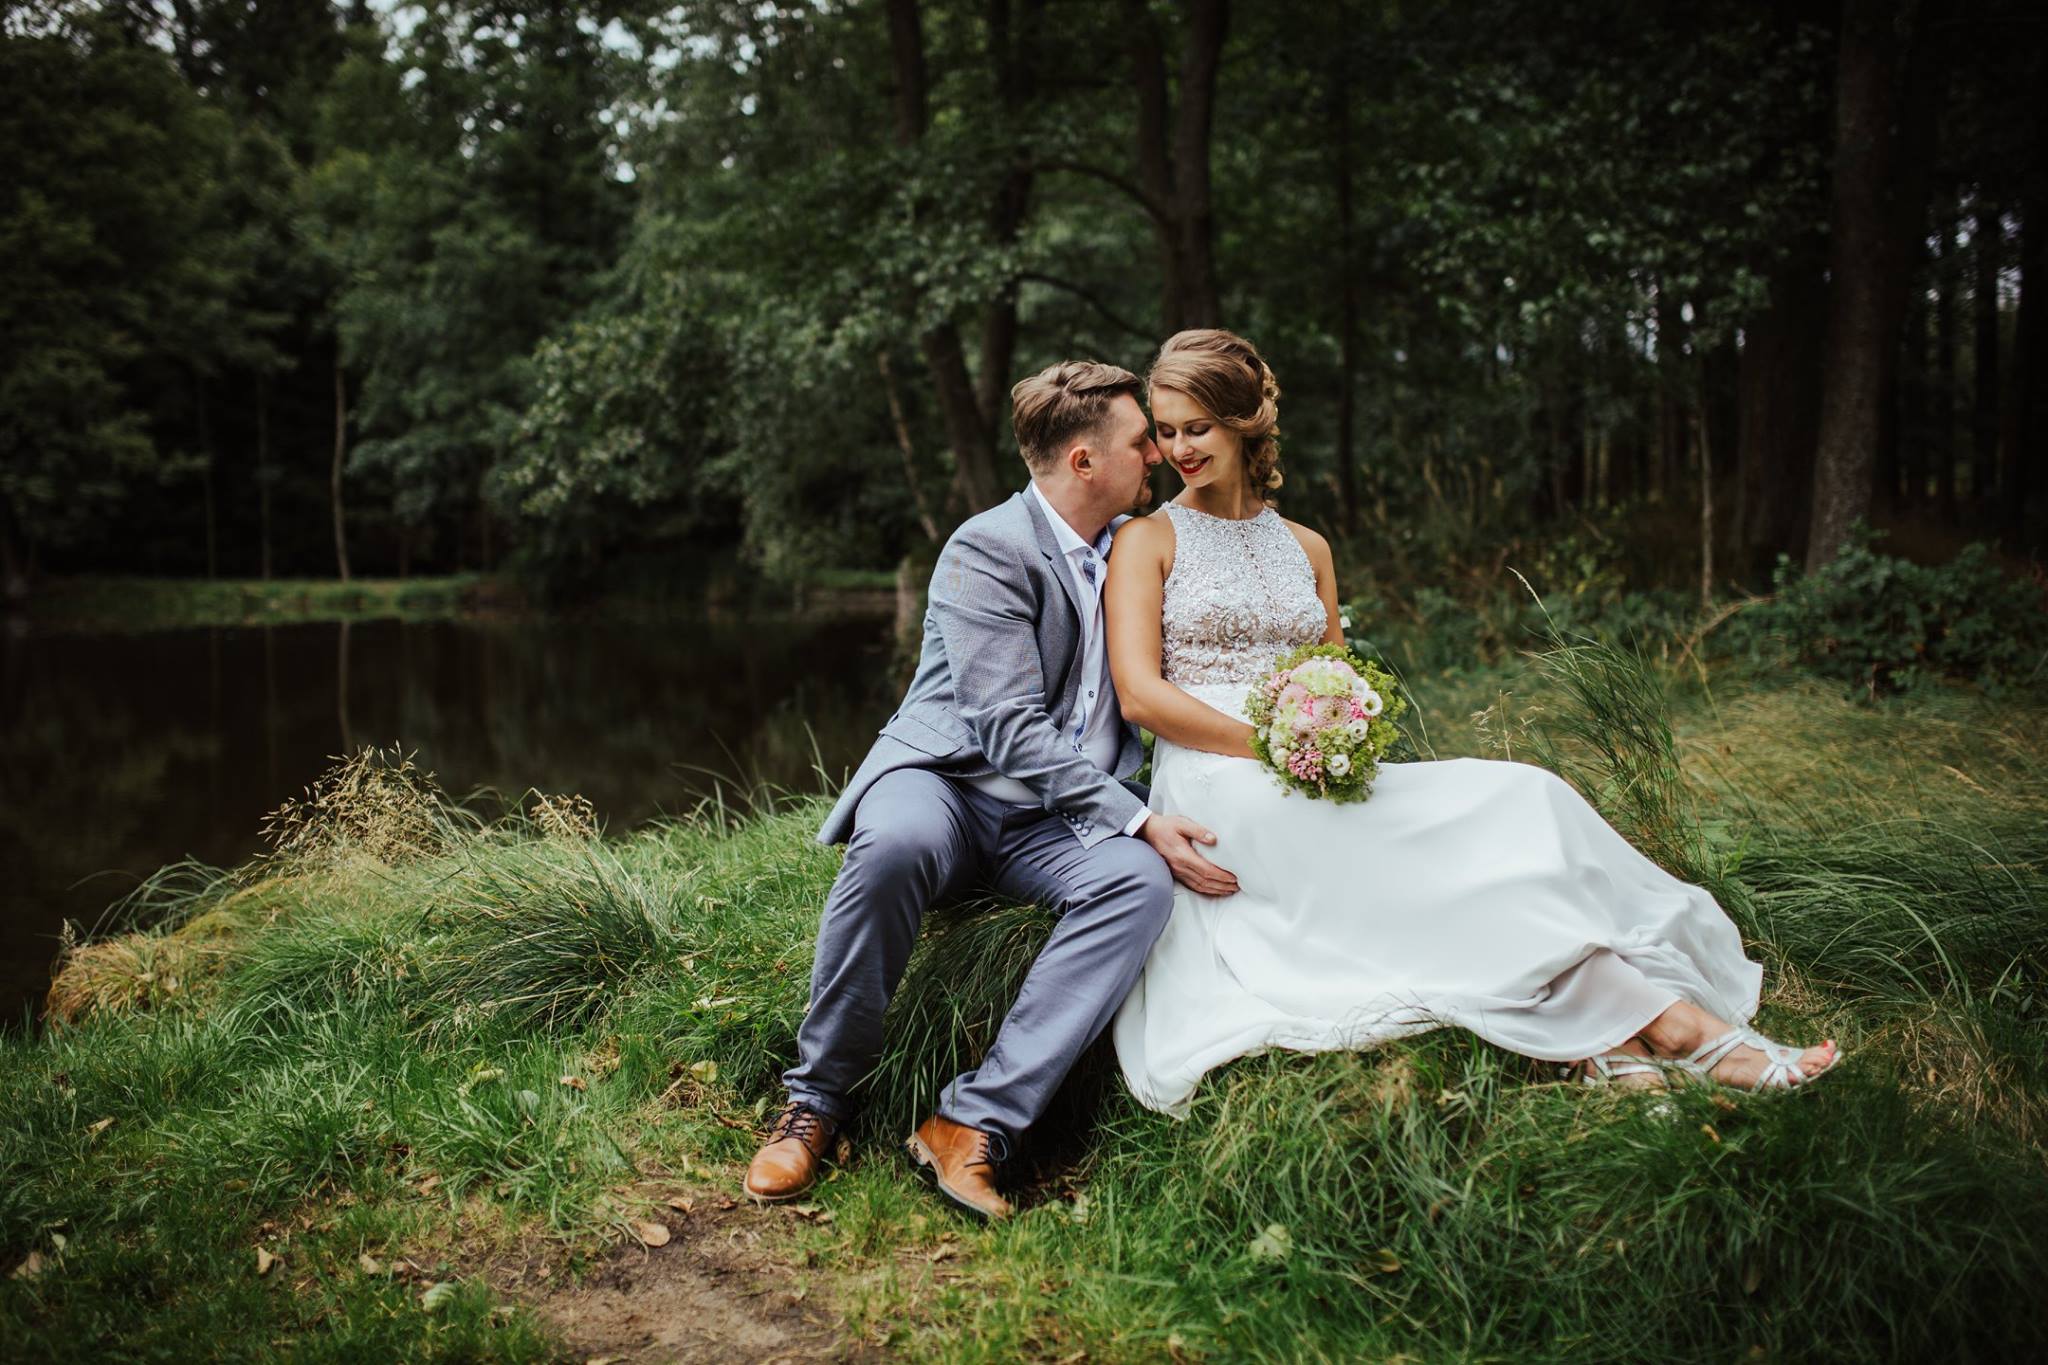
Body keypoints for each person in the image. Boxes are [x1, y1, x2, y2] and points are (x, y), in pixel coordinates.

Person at [1105, 329, 1840, 1115]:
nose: (1179, 449)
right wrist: (1273, 744)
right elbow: (1139, 694)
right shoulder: (1146, 540)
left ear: (1244, 423)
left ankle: (1621, 1035)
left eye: (1198, 428)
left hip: (1315, 760)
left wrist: (1340, 732)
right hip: (1218, 781)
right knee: (1415, 856)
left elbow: (1341, 676)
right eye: (1167, 430)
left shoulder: (1307, 546)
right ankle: (1676, 1028)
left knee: (1525, 797)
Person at [745, 360, 1239, 1219]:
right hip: (949, 782)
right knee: (895, 845)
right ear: (1084, 461)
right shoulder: (988, 547)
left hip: (1053, 818)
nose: (1158, 455)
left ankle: (972, 1122)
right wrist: (1138, 815)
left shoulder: (1137, 545)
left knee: (1137, 885)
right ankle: (815, 1101)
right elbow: (1007, 728)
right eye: (1140, 441)